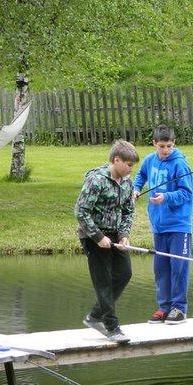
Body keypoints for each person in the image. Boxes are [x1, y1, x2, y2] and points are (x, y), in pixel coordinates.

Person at [74, 140, 138, 343]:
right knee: (103, 281)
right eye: (128, 164)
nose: (130, 169)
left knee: (124, 273)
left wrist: (124, 235)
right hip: (93, 237)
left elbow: (128, 211)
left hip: (115, 237)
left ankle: (94, 316)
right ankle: (111, 327)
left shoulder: (127, 182)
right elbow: (81, 212)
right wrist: (98, 237)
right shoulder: (97, 180)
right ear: (116, 160)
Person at [133, 125, 193, 325]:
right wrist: (136, 189)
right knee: (161, 268)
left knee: (178, 267)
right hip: (158, 226)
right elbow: (141, 175)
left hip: (178, 226)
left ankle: (179, 308)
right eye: (161, 146)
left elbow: (186, 194)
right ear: (154, 144)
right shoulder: (150, 160)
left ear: (174, 143)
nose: (165, 150)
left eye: (169, 146)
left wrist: (166, 197)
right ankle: (164, 307)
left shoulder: (180, 165)